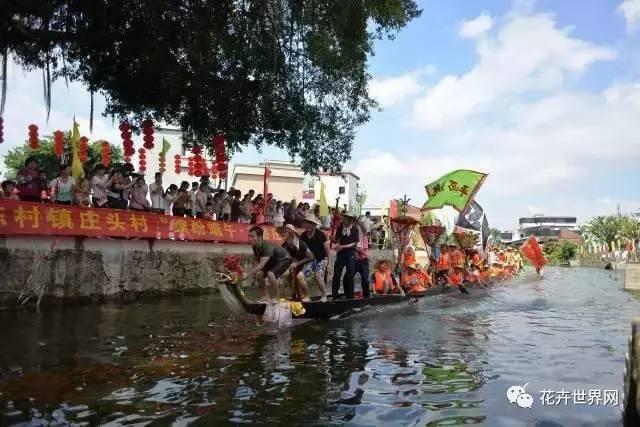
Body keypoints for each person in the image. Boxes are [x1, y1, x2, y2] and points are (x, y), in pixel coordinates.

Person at [247, 226, 292, 302]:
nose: (249, 238)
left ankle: (276, 297)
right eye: (249, 236)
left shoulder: (267, 246)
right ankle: (265, 296)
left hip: (284, 260)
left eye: (252, 236)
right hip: (272, 261)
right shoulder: (254, 245)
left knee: (270, 274)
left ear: (260, 237)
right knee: (258, 274)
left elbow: (261, 265)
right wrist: (254, 274)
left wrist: (248, 274)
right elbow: (255, 259)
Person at [277, 224, 314, 301]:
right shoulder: (285, 244)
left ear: (291, 233)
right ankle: (296, 294)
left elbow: (311, 257)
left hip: (308, 263)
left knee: (299, 277)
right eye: (282, 232)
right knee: (285, 275)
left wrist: (296, 263)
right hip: (297, 264)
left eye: (285, 232)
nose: (282, 234)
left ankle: (307, 296)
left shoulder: (301, 244)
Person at [299, 214, 330, 302]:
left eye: (310, 224)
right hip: (310, 260)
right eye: (306, 223)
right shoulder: (303, 236)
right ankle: (307, 296)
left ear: (314, 225)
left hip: (321, 259)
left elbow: (327, 250)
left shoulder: (320, 234)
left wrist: (328, 263)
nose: (307, 225)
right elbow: (301, 250)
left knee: (317, 275)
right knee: (300, 276)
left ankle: (324, 295)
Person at [331, 211, 359, 299]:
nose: (344, 219)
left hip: (350, 254)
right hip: (341, 254)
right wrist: (333, 240)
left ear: (350, 220)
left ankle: (350, 295)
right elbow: (337, 240)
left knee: (350, 275)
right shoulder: (340, 227)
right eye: (344, 218)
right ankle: (334, 295)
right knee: (337, 274)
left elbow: (355, 243)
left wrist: (343, 246)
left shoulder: (355, 229)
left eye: (346, 218)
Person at [354, 218, 371, 298]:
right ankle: (349, 295)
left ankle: (366, 296)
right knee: (347, 277)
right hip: (354, 261)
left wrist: (359, 222)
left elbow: (364, 253)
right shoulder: (352, 235)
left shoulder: (364, 237)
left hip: (363, 261)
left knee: (365, 280)